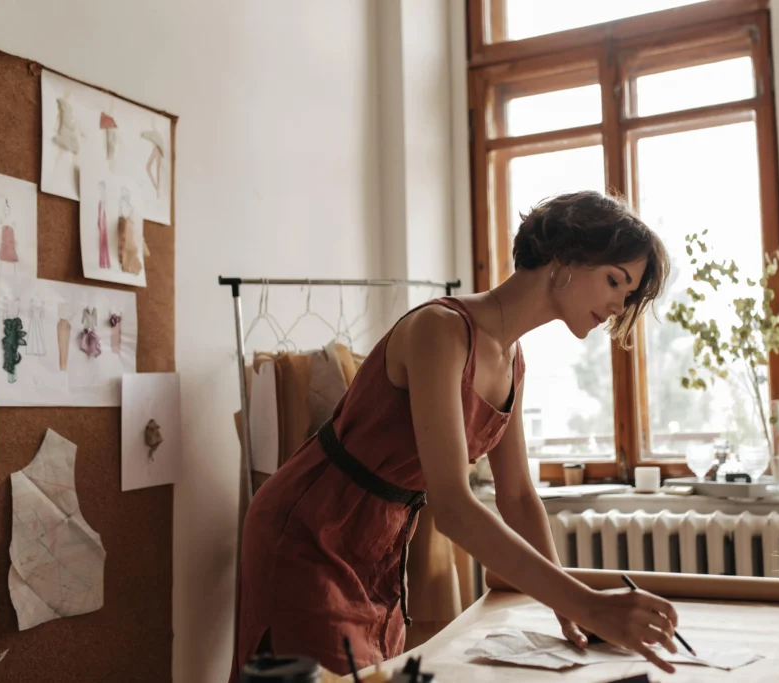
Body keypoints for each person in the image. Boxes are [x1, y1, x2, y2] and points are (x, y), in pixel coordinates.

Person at [230, 190, 678, 680]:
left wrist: (565, 606)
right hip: (308, 528)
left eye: (629, 294)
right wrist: (591, 605)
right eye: (616, 280)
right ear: (565, 257)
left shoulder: (513, 361)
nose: (619, 304)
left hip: (380, 541)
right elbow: (454, 508)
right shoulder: (439, 330)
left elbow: (518, 495)